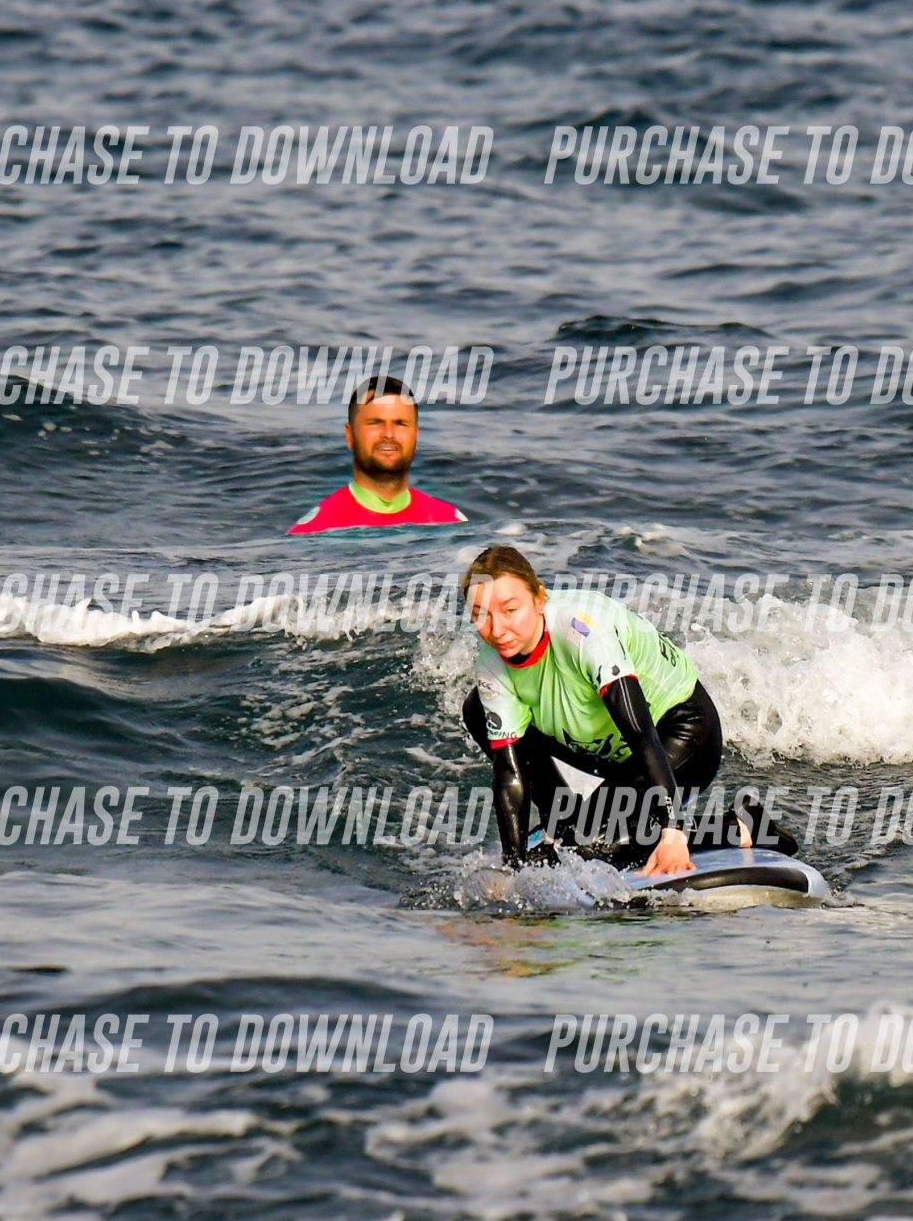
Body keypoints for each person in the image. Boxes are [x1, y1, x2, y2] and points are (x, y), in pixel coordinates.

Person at [459, 544, 790, 877]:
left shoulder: (583, 630)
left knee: (587, 851)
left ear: (539, 598)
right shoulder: (492, 665)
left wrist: (672, 830)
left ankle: (741, 827)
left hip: (679, 735)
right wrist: (513, 869)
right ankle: (564, 817)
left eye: (510, 610)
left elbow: (643, 736)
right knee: (477, 709)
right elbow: (510, 773)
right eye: (481, 615)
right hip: (609, 751)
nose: (497, 630)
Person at [288, 375, 467, 533]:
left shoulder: (452, 524)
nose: (388, 434)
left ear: (416, 435)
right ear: (350, 435)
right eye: (375, 423)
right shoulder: (313, 531)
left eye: (400, 423)